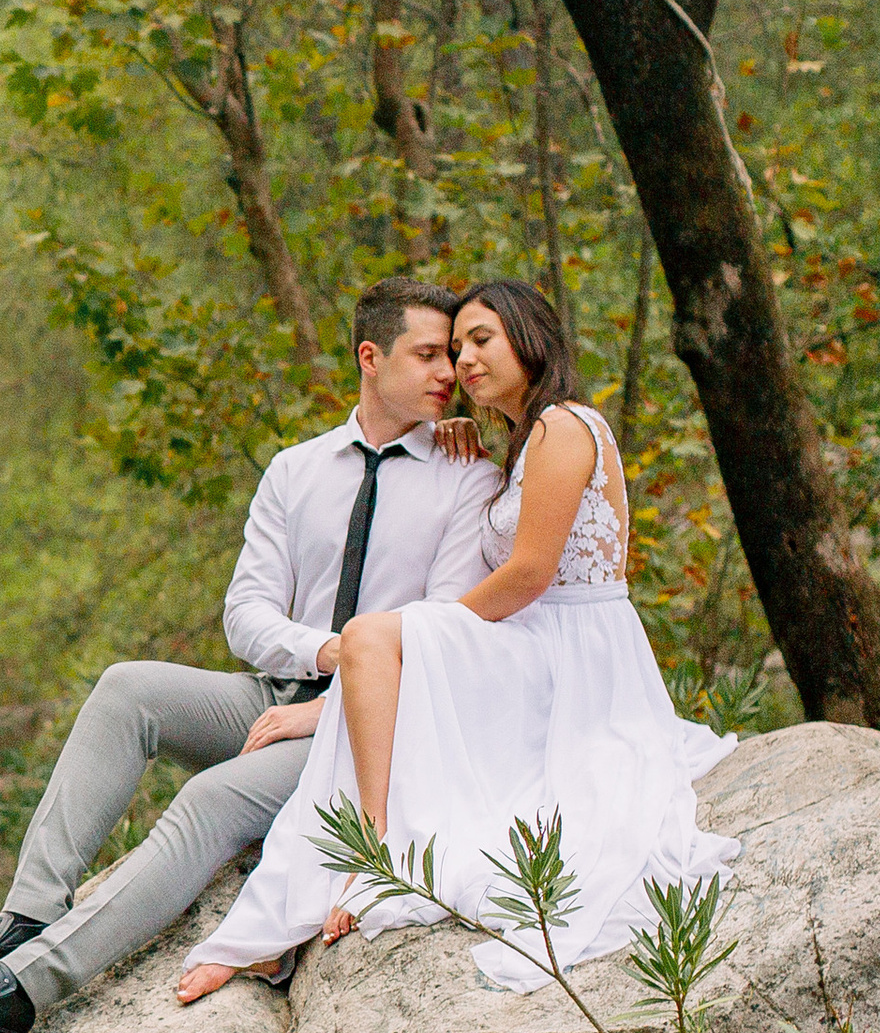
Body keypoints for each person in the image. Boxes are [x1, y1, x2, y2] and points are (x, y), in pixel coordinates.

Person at [0, 278, 502, 1033]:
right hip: (274, 693)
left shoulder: (467, 477)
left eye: (450, 357)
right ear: (369, 356)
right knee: (129, 689)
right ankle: (25, 919)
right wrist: (322, 651)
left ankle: (26, 989)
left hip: (365, 726)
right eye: (427, 355)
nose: (446, 374)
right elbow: (246, 613)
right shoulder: (296, 471)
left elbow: (438, 633)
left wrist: (335, 694)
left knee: (212, 799)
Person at [180, 279, 738, 997]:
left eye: (481, 341)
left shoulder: (565, 426)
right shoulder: (519, 438)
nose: (463, 362)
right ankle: (350, 857)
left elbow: (532, 571)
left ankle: (371, 849)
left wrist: (436, 630)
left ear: (529, 339)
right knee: (376, 644)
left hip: (574, 646)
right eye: (453, 349)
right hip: (535, 639)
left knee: (379, 636)